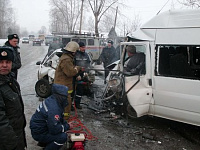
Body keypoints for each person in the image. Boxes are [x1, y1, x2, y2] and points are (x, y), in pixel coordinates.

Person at [0, 46, 27, 150]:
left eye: (8, 62)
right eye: (1, 62)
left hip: (17, 137)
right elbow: (1, 123)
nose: (4, 65)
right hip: (7, 143)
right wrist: (12, 145)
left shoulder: (12, 82)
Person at [30, 84, 71, 150]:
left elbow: (58, 119)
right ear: (60, 96)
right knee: (62, 137)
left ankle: (45, 143)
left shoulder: (52, 100)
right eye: (65, 96)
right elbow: (54, 130)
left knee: (61, 129)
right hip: (39, 133)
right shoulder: (54, 108)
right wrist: (67, 127)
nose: (66, 98)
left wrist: (65, 124)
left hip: (39, 128)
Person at [54, 41, 81, 119]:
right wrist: (77, 68)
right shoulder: (66, 59)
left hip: (63, 86)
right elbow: (70, 72)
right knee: (66, 104)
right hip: (62, 86)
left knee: (65, 103)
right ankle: (64, 121)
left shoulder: (67, 57)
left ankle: (62, 119)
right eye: (76, 51)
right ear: (73, 51)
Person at [74, 42, 92, 109]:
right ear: (79, 47)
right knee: (72, 91)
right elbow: (72, 66)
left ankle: (77, 104)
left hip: (82, 75)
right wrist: (76, 75)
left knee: (80, 90)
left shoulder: (86, 55)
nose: (83, 48)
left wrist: (86, 72)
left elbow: (88, 64)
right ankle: (70, 105)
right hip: (75, 74)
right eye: (82, 47)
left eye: (84, 47)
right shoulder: (75, 55)